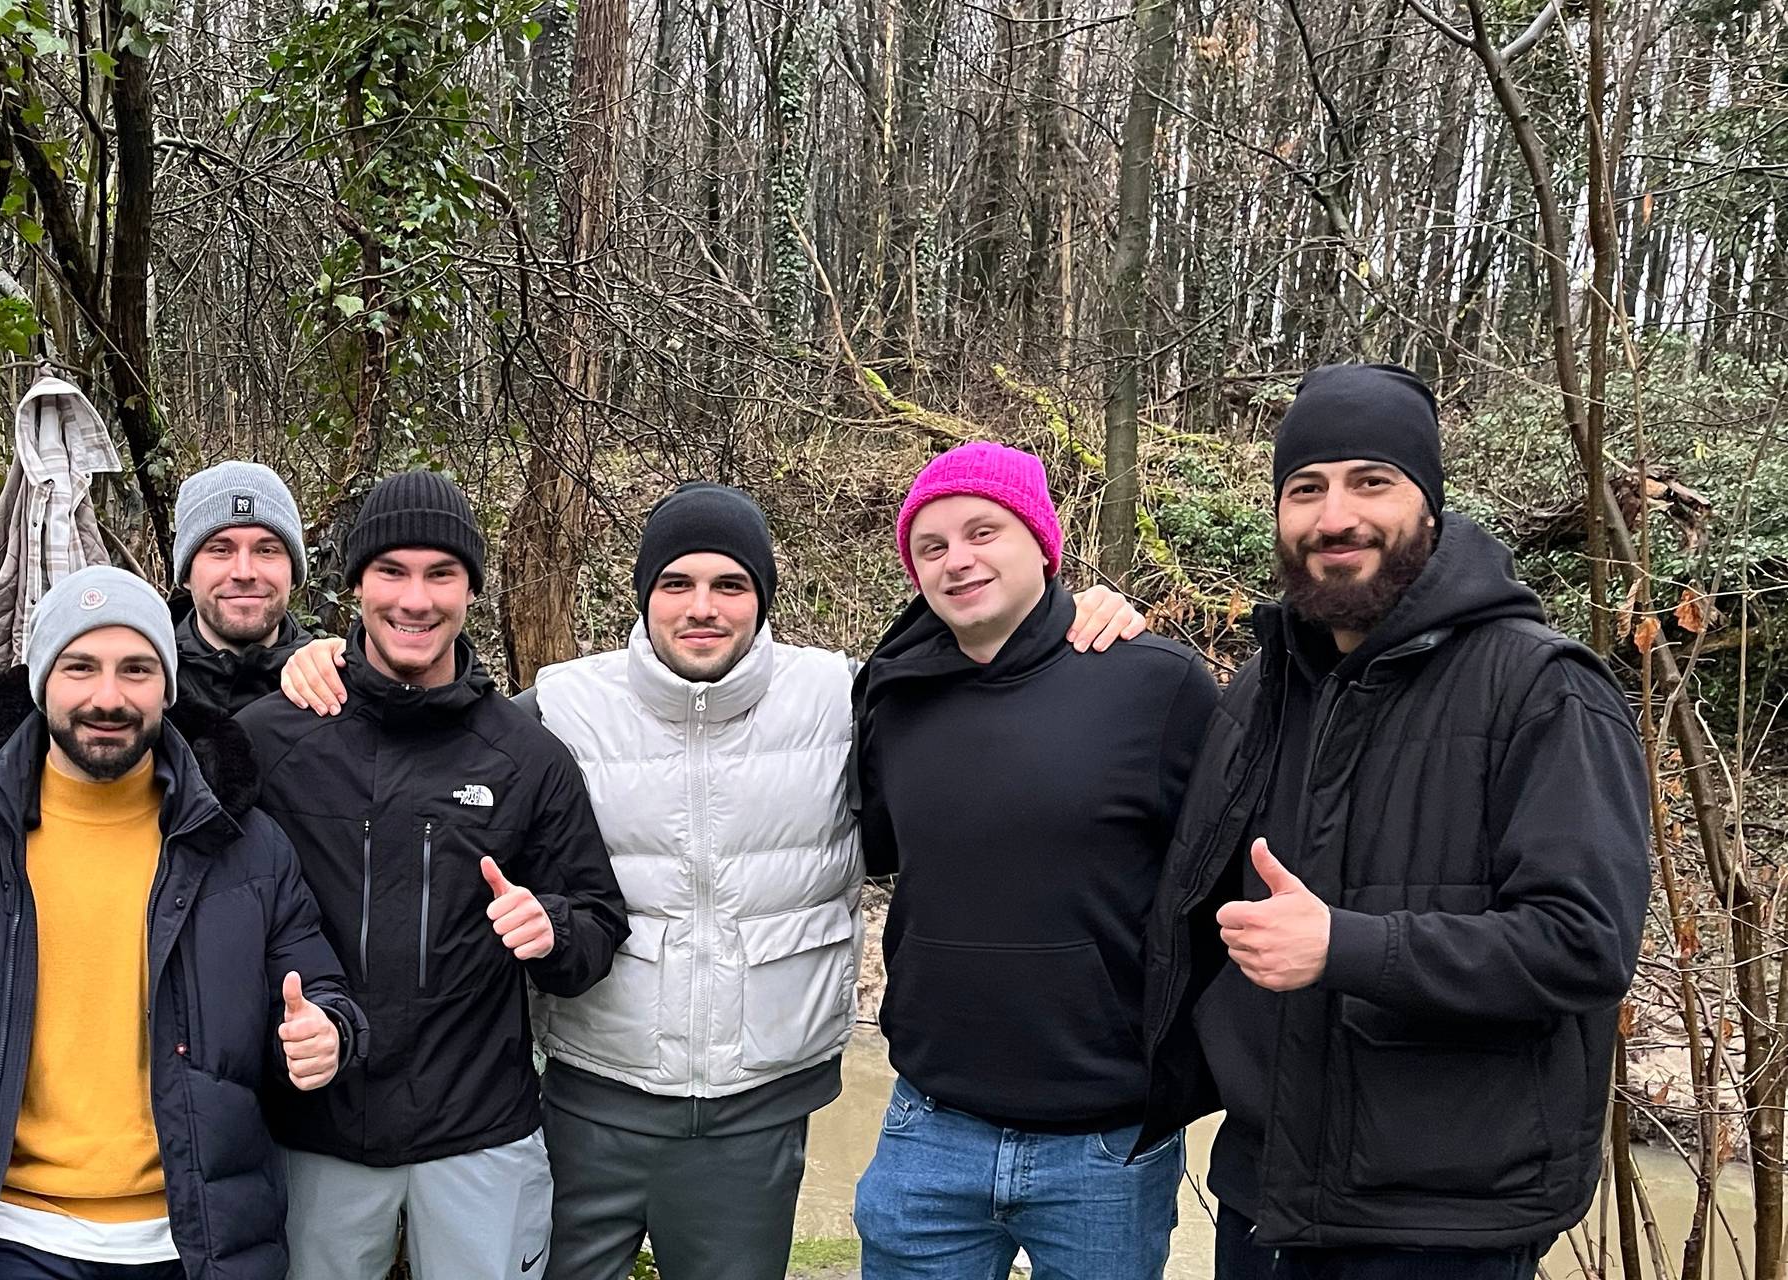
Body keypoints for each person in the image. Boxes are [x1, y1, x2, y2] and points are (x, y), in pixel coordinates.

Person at [274, 481, 1147, 1280]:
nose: (702, 607)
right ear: (643, 595)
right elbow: (426, 726)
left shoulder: (844, 699)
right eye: (676, 584)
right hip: (588, 1092)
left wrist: (1069, 620)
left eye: (730, 584)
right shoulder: (562, 707)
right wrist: (311, 660)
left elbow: (982, 672)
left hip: (756, 1109)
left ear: (763, 597)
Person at [1140, 363, 1650, 1278]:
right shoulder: (1263, 689)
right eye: (1306, 488)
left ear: (1430, 506)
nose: (1335, 516)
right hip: (1265, 1192)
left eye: (1371, 481)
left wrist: (1347, 946)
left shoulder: (1543, 689)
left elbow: (1584, 944)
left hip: (1442, 1224)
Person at [0, 566, 365, 1280]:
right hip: (0, 1234)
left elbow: (323, 994)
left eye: (136, 669)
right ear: (43, 683)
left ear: (167, 687)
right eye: (80, 668)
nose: (108, 697)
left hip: (193, 1239)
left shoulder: (244, 848)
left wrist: (327, 1033)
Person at [233, 470, 628, 1280]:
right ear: (355, 585)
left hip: (480, 1135)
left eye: (441, 574)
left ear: (472, 591)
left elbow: (598, 924)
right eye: (392, 571)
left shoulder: (527, 756)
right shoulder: (272, 739)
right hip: (314, 1131)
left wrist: (551, 930)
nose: (416, 599)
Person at [849, 442, 1217, 1280]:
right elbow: (877, 850)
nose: (957, 559)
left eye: (984, 532)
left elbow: (1220, 879)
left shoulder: (1156, 684)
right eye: (931, 546)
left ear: (1043, 543)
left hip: (1105, 1143)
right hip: (929, 1126)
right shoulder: (894, 695)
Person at [170, 461, 319, 717]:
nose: (244, 573)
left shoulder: (334, 687)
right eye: (220, 550)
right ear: (186, 574)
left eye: (266, 550)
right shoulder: (149, 689)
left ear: (293, 572)